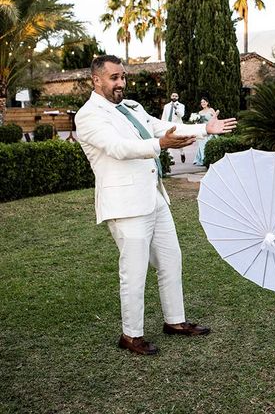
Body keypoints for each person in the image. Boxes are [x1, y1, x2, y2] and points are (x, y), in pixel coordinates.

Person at [75, 55, 237, 355]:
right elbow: (119, 148)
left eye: (123, 76)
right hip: (125, 205)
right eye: (114, 78)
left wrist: (204, 130)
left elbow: (160, 126)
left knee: (171, 260)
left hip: (155, 197)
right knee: (133, 272)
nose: (121, 82)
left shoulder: (131, 107)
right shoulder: (87, 116)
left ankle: (175, 321)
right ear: (96, 80)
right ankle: (131, 335)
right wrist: (160, 146)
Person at [161, 92, 186, 163]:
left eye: (176, 96)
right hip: (168, 125)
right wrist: (162, 124)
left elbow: (181, 115)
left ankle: (182, 153)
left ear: (178, 98)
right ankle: (171, 159)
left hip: (177, 126)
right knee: (168, 141)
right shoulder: (166, 106)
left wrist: (176, 109)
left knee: (179, 141)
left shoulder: (181, 105)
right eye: (173, 96)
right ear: (171, 96)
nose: (174, 97)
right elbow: (164, 116)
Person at [192, 97, 217, 166]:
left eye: (204, 102)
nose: (203, 103)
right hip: (203, 130)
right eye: (201, 102)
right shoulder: (200, 112)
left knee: (208, 143)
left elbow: (215, 119)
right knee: (201, 143)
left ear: (207, 103)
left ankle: (209, 159)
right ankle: (203, 159)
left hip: (210, 129)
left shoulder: (211, 110)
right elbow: (198, 122)